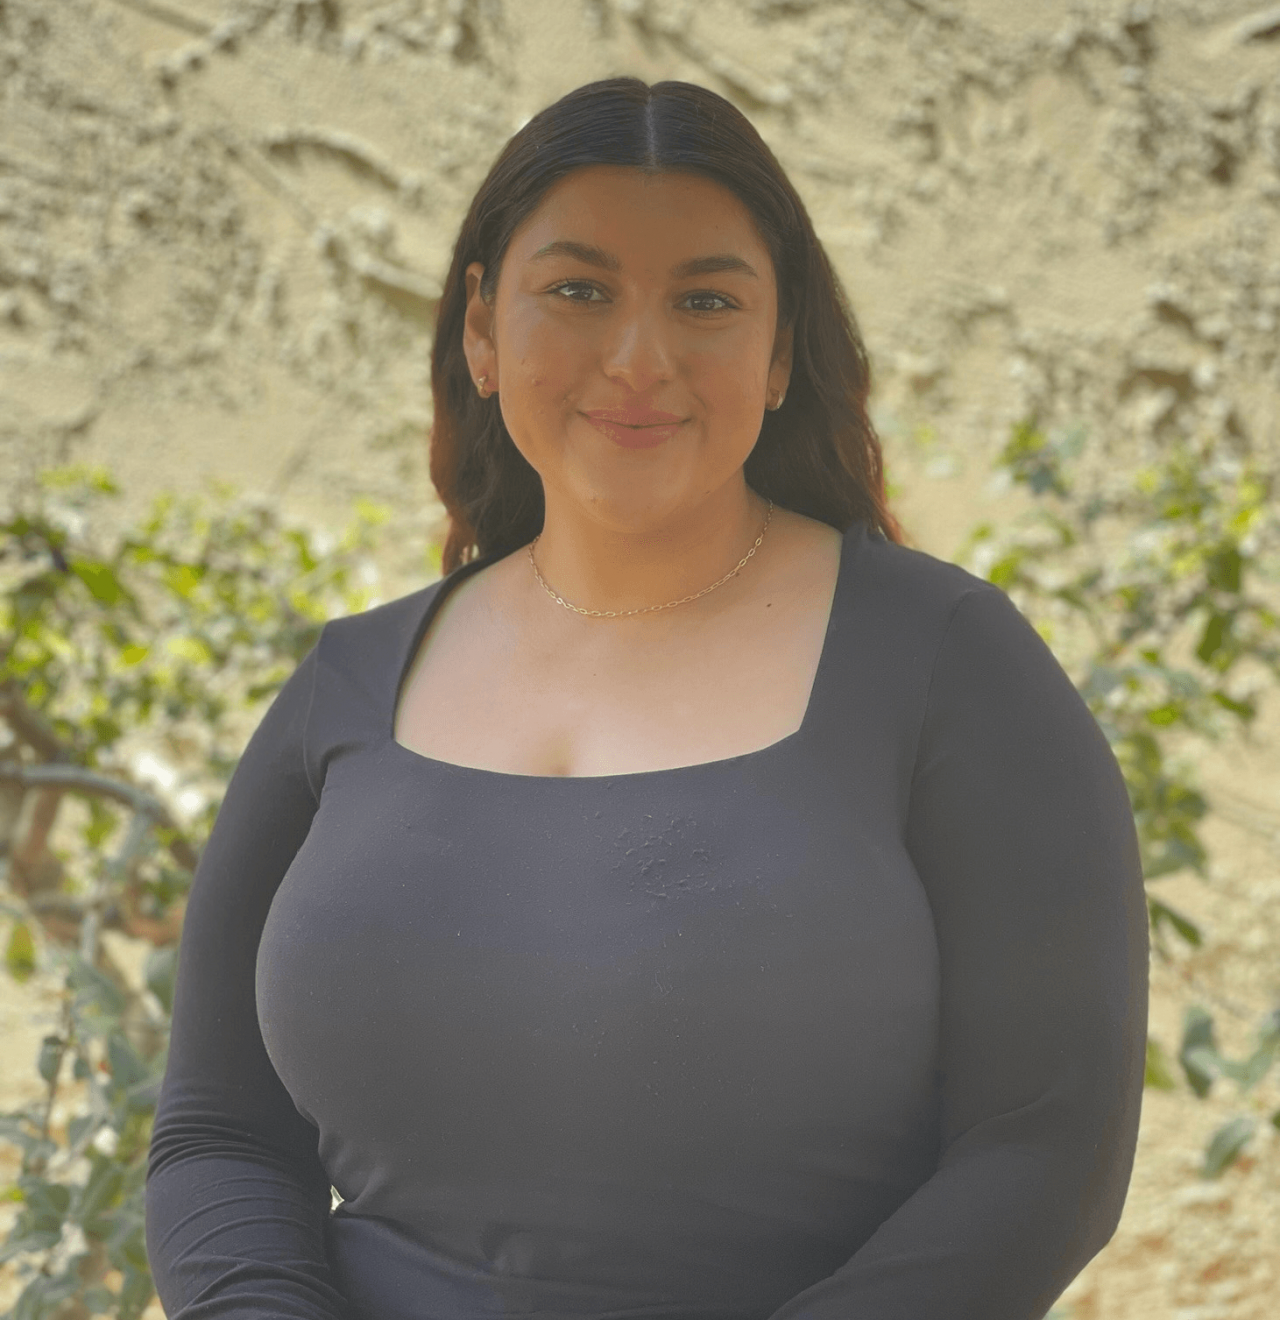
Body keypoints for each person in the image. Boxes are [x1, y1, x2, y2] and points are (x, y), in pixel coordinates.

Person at [144, 77, 1149, 1320]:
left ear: (778, 353)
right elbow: (220, 1132)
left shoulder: (945, 662)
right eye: (578, 291)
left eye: (705, 302)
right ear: (481, 330)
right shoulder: (347, 684)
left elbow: (1044, 1142)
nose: (638, 359)